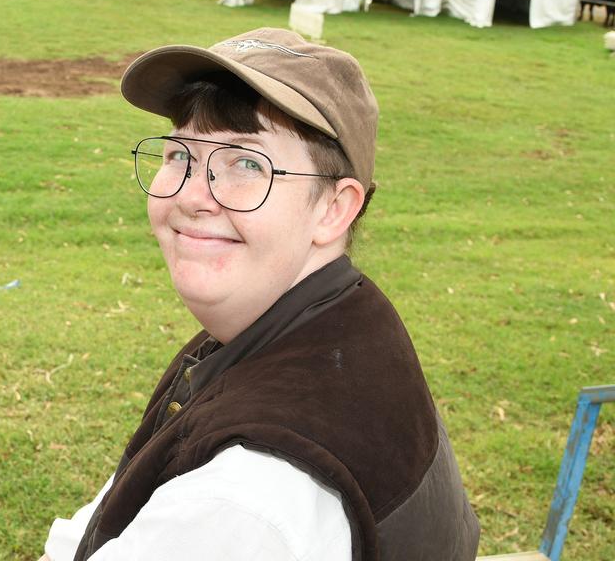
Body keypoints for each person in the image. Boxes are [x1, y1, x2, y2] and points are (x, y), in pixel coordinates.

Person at [41, 28, 480, 561]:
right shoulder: (333, 320)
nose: (192, 196)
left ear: (334, 209)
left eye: (247, 164)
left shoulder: (249, 497)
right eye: (180, 154)